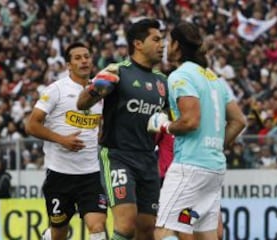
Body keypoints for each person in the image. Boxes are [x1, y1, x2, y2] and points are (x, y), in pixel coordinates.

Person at [147, 21, 246, 240]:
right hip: (214, 167)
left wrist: (165, 125)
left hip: (190, 166)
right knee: (205, 235)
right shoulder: (213, 78)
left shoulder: (180, 76)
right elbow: (239, 120)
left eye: (169, 41)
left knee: (163, 231)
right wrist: (215, 146)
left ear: (177, 46)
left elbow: (191, 121)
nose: (166, 46)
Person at [77, 19, 167, 240]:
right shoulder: (117, 71)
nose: (162, 45)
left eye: (162, 40)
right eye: (156, 39)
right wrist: (97, 89)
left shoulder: (163, 82)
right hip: (118, 156)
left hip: (148, 159)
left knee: (147, 227)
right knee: (126, 225)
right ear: (138, 44)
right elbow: (82, 103)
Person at [25, 42, 107, 240]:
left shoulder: (101, 90)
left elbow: (100, 125)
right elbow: (31, 125)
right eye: (77, 58)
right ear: (69, 65)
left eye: (86, 56)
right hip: (60, 175)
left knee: (98, 227)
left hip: (91, 174)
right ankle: (49, 235)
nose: (84, 61)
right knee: (59, 233)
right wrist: (61, 140)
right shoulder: (56, 90)